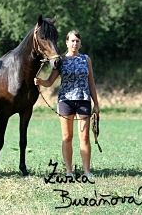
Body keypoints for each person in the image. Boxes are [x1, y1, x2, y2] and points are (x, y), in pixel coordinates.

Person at [34, 30, 100, 178]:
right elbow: (50, 81)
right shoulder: (61, 60)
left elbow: (91, 83)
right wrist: (39, 81)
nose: (75, 44)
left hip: (83, 100)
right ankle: (69, 172)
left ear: (80, 43)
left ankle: (87, 171)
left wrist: (96, 104)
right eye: (72, 41)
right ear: (67, 43)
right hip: (65, 101)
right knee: (67, 136)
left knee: (84, 137)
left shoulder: (85, 59)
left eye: (77, 41)